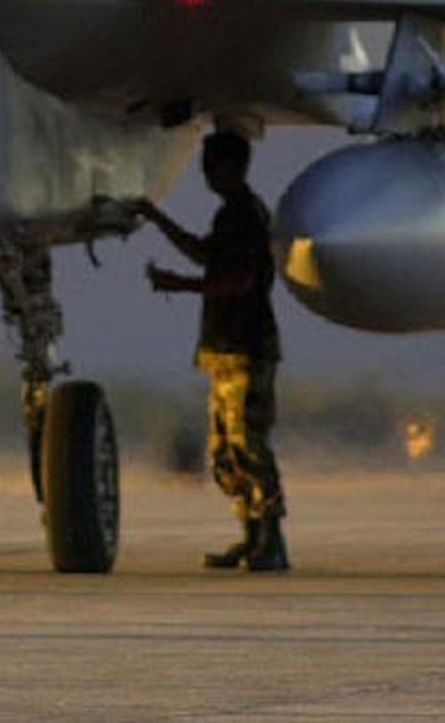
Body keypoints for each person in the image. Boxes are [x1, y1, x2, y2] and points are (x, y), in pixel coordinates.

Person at [132, 131, 289, 572]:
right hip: (225, 350)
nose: (205, 175)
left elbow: (236, 281)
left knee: (249, 444)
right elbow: (207, 255)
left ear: (232, 167)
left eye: (211, 166)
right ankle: (251, 535)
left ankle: (270, 539)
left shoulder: (245, 216)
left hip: (245, 348)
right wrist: (157, 220)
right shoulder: (232, 216)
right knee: (226, 451)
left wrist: (178, 285)